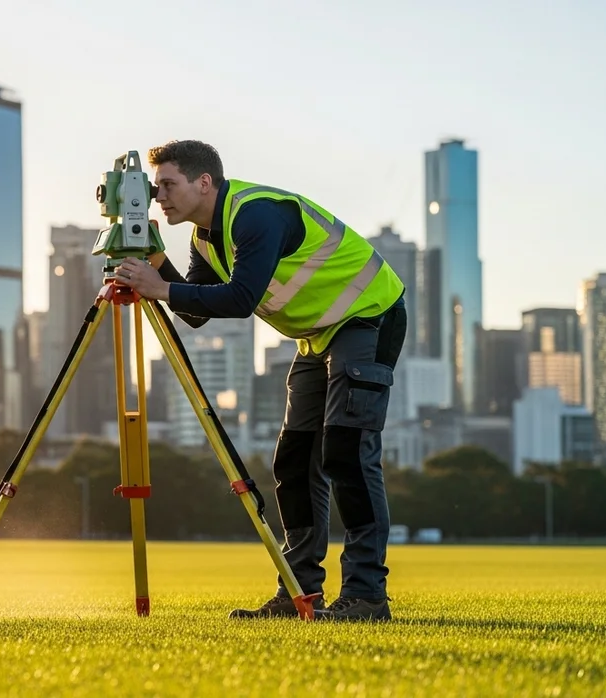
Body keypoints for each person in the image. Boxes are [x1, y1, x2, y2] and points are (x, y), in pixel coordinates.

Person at [114, 139, 406, 622]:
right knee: (294, 461)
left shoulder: (255, 214)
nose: (158, 197)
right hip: (317, 336)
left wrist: (159, 287)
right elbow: (197, 312)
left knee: (348, 451)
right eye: (155, 187)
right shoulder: (206, 238)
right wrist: (156, 259)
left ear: (203, 182)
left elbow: (240, 298)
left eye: (168, 185)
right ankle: (299, 593)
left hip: (369, 315)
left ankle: (367, 595)